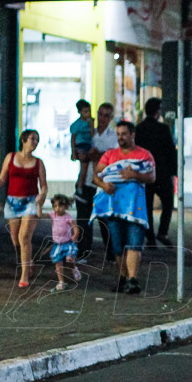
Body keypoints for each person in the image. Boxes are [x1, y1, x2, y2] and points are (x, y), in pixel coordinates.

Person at [91, 121, 156, 295]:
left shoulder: (144, 155)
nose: (120, 138)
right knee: (117, 245)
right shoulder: (110, 155)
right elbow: (96, 176)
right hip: (113, 205)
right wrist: (104, 186)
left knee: (134, 243)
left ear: (132, 135)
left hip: (135, 206)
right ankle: (122, 277)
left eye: (124, 134)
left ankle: (133, 280)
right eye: (118, 134)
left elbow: (151, 177)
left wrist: (134, 174)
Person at [0, 129, 48, 288]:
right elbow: (2, 178)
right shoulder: (11, 157)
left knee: (24, 236)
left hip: (30, 202)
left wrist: (42, 196)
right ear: (24, 140)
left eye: (37, 140)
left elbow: (44, 185)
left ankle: (24, 274)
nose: (35, 142)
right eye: (32, 139)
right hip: (12, 202)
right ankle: (29, 261)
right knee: (16, 240)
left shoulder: (39, 162)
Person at [75, 103, 118, 262]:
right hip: (87, 181)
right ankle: (83, 252)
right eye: (101, 114)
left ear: (111, 118)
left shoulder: (113, 137)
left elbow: (112, 157)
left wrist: (96, 155)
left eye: (107, 115)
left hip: (103, 184)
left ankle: (112, 253)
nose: (102, 118)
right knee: (84, 219)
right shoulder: (88, 133)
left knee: (105, 219)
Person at [134, 97, 177, 247]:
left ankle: (150, 236)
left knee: (146, 206)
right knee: (168, 203)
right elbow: (171, 151)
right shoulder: (163, 129)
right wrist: (175, 170)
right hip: (162, 173)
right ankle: (162, 232)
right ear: (157, 111)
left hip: (144, 174)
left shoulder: (138, 129)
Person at [70, 99, 94, 202]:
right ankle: (79, 188)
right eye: (85, 111)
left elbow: (93, 135)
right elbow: (73, 139)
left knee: (88, 168)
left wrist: (91, 125)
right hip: (81, 146)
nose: (88, 114)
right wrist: (73, 152)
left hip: (89, 146)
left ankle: (82, 187)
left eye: (89, 111)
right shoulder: (77, 124)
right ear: (80, 112)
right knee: (84, 168)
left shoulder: (90, 122)